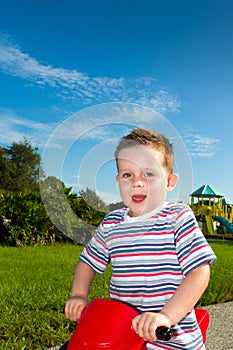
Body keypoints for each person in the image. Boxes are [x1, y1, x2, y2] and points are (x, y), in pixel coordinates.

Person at [61, 128, 216, 350]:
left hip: (168, 337)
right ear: (118, 180)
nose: (137, 182)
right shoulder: (111, 223)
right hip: (121, 328)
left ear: (170, 182)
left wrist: (166, 316)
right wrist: (78, 294)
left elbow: (199, 271)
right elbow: (88, 261)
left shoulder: (177, 218)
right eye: (127, 175)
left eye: (149, 174)